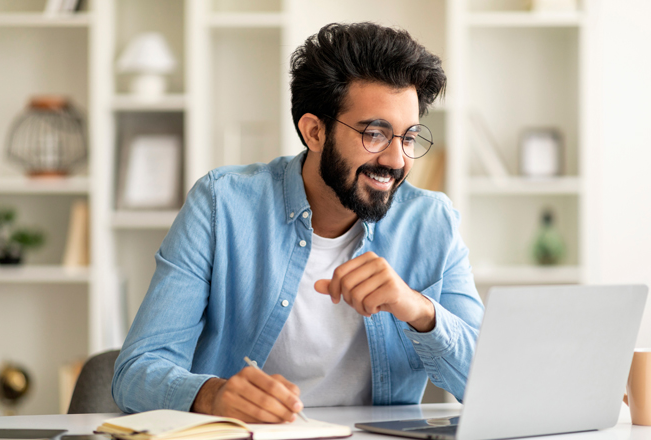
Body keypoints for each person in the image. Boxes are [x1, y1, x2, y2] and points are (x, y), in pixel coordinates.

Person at [112, 22, 484, 423]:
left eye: (408, 138)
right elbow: (135, 372)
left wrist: (420, 310)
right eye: (375, 134)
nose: (396, 160)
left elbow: (487, 383)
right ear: (314, 131)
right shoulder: (223, 205)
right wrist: (211, 395)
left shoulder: (432, 221)